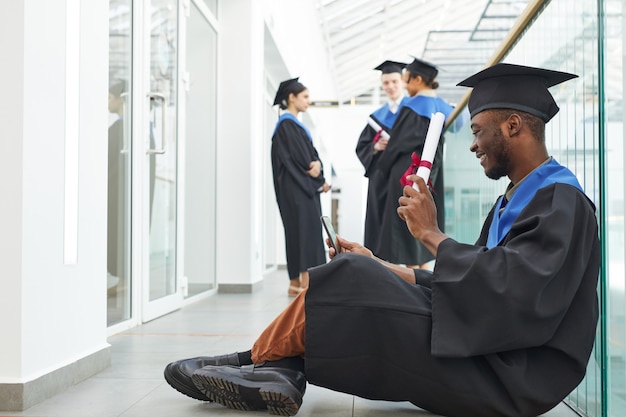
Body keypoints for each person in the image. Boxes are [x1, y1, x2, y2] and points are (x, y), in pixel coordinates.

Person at [163, 63, 600, 417]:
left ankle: (260, 361)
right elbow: (475, 283)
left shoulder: (562, 200)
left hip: (514, 373)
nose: (473, 145)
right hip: (490, 344)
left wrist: (430, 234)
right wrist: (385, 266)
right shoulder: (517, 199)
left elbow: (514, 293)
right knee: (359, 269)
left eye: (478, 130)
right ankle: (276, 368)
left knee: (352, 275)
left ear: (513, 125)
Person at [375, 57, 456, 268]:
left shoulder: (413, 107)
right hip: (431, 173)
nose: (404, 85)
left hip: (405, 173)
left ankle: (411, 280)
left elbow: (397, 144)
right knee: (426, 216)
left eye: (407, 80)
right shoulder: (444, 107)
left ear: (418, 79)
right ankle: (425, 271)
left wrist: (382, 167)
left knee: (406, 223)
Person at [270, 77, 331, 297]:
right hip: (299, 191)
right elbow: (304, 161)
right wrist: (318, 178)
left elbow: (312, 160)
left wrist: (318, 168)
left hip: (296, 190)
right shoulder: (287, 125)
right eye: (305, 97)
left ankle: (296, 283)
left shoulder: (291, 126)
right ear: (291, 98)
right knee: (306, 234)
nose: (308, 101)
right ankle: (306, 286)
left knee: (297, 233)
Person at [355, 60, 409, 251]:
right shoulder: (376, 117)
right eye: (386, 83)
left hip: (405, 176)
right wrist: (376, 147)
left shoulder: (413, 111)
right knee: (381, 230)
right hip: (381, 181)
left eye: (394, 81)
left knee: (407, 229)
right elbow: (361, 146)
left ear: (403, 81)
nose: (390, 87)